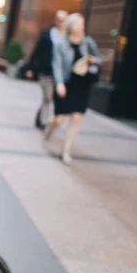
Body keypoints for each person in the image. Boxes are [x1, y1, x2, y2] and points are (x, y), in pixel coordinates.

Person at [44, 13, 101, 164]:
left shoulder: (88, 43)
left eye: (82, 23)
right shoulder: (60, 44)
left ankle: (66, 151)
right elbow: (56, 65)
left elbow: (99, 59)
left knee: (76, 119)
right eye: (77, 23)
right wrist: (59, 83)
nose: (80, 26)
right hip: (66, 83)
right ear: (70, 25)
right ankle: (49, 128)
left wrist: (93, 60)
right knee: (59, 119)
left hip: (82, 85)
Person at [26, 10, 67, 129]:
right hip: (45, 71)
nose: (61, 23)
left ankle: (40, 117)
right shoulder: (47, 34)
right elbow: (36, 51)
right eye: (59, 20)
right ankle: (44, 122)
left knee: (49, 99)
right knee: (48, 97)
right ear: (55, 21)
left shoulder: (67, 37)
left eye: (64, 20)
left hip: (59, 74)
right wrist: (30, 68)